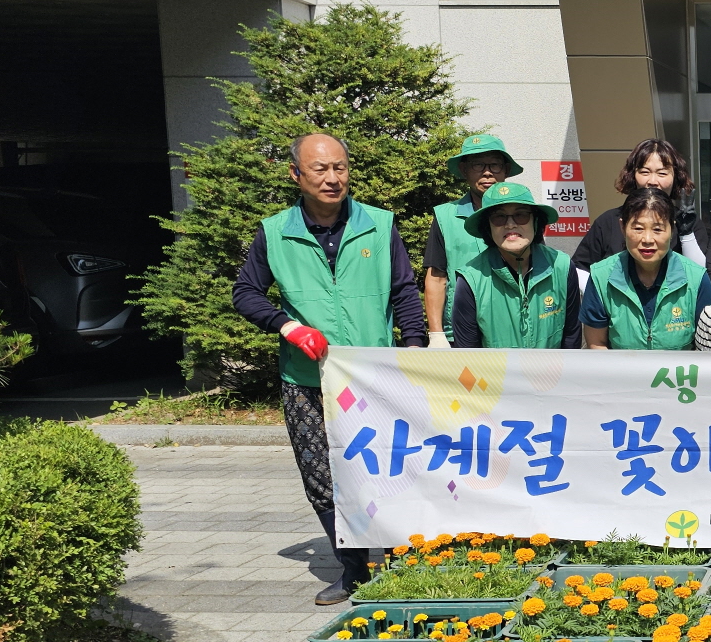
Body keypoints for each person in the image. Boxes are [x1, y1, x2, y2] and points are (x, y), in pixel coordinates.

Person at [231, 131, 426, 605]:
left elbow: (403, 291)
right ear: (296, 174)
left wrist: (415, 348)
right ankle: (354, 568)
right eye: (320, 169)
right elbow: (245, 292)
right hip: (307, 379)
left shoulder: (379, 225)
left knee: (391, 470)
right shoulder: (275, 232)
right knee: (322, 477)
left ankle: (404, 564)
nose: (333, 178)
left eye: (340, 167)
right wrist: (287, 326)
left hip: (374, 377)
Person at [448, 182, 581, 350]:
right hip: (494, 376)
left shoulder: (562, 266)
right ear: (487, 227)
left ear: (536, 221)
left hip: (551, 375)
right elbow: (468, 353)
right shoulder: (470, 279)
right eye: (499, 217)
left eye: (521, 215)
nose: (510, 224)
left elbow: (571, 336)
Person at [582, 188, 711, 349]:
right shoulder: (601, 277)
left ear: (672, 230)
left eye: (658, 229)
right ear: (622, 227)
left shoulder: (696, 278)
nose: (647, 239)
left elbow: (709, 349)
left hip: (679, 374)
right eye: (638, 228)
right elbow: (597, 344)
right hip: (622, 373)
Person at [423, 133, 518, 347]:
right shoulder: (445, 217)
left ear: (506, 170)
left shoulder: (525, 215)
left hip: (514, 330)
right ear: (465, 170)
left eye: (495, 165)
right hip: (459, 333)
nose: (487, 172)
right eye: (478, 165)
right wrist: (436, 334)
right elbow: (436, 277)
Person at [570, 138, 709, 281]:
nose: (653, 181)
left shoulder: (688, 222)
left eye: (662, 173)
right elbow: (579, 267)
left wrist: (686, 235)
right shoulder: (607, 221)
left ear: (676, 177)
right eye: (644, 172)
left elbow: (700, 274)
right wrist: (601, 293)